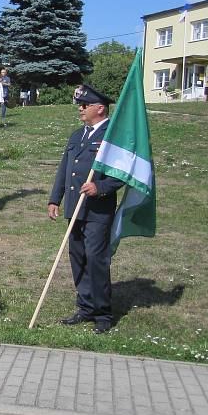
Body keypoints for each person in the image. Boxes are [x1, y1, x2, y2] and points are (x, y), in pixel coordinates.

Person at [47, 84, 125, 334]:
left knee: (95, 258)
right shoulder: (76, 135)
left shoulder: (113, 137)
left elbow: (123, 173)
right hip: (74, 207)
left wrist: (100, 187)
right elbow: (64, 169)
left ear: (100, 108)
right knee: (77, 257)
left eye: (85, 105)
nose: (80, 109)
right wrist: (54, 199)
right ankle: (85, 306)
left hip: (97, 210)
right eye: (80, 105)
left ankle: (102, 313)